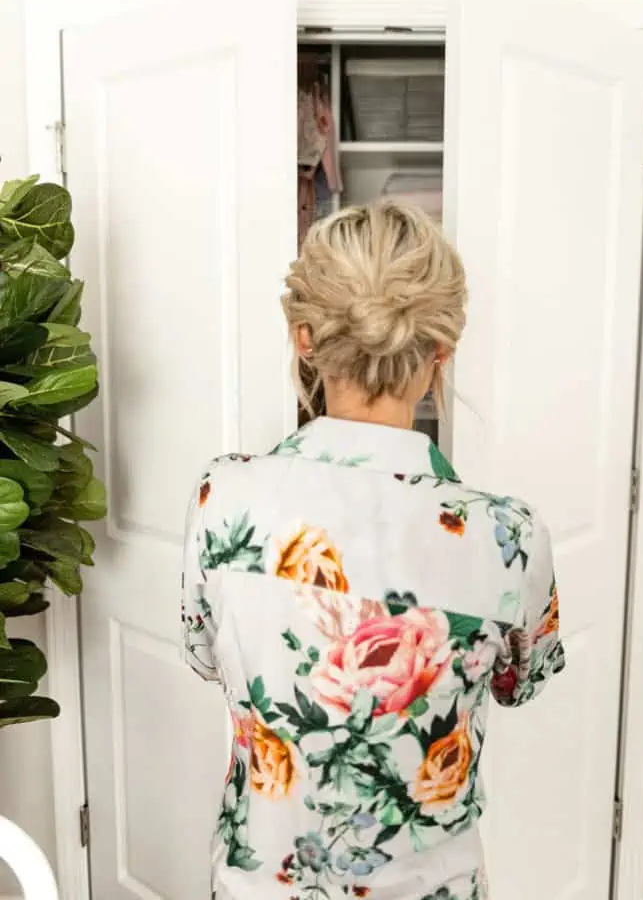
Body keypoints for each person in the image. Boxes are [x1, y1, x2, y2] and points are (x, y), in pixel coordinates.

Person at [182, 201, 565, 900]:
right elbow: (522, 681)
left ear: (304, 338)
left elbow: (205, 653)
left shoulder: (223, 497)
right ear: (440, 351)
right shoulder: (510, 537)